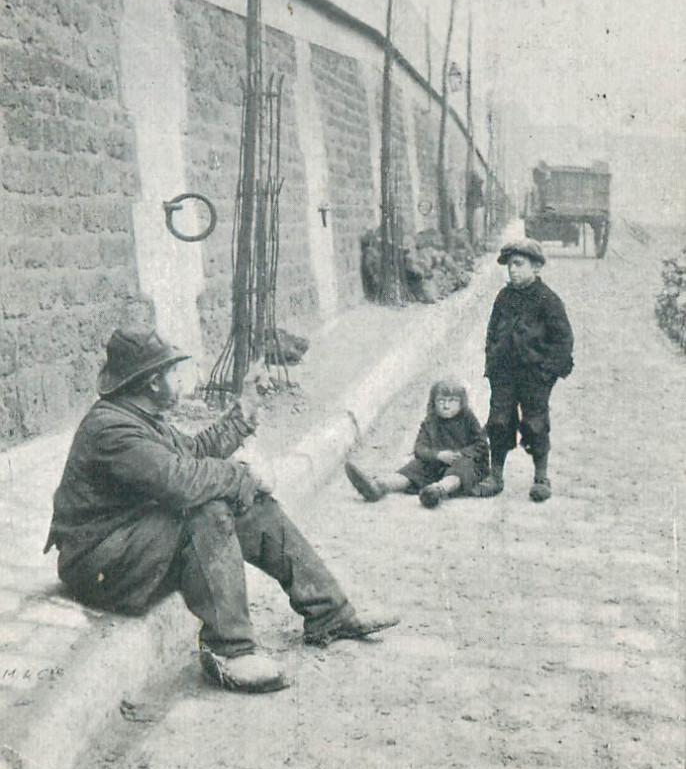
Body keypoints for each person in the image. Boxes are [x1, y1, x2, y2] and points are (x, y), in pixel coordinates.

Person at [44, 328, 399, 694]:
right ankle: (228, 650)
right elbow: (182, 482)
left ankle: (329, 612)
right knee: (208, 507)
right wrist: (243, 475)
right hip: (98, 563)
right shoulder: (112, 429)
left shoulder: (137, 415)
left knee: (247, 503)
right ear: (152, 382)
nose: (179, 380)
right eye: (172, 372)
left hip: (131, 545)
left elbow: (195, 452)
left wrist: (244, 409)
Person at [478, 238, 574, 502]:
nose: (513, 270)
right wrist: (493, 363)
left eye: (519, 264)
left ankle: (541, 477)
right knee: (498, 421)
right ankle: (495, 474)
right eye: (510, 265)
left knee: (535, 424)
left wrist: (546, 373)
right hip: (505, 374)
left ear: (536, 268)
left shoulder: (548, 299)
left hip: (534, 376)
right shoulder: (504, 297)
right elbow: (492, 332)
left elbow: (563, 340)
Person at [345, 377, 489, 509]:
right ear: (433, 402)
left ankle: (438, 490)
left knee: (461, 469)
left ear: (461, 403)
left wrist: (462, 454)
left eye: (452, 401)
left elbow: (481, 444)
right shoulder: (430, 422)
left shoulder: (468, 420)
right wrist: (438, 455)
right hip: (436, 464)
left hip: (463, 463)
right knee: (414, 468)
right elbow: (420, 448)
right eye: (441, 401)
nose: (446, 406)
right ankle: (378, 486)